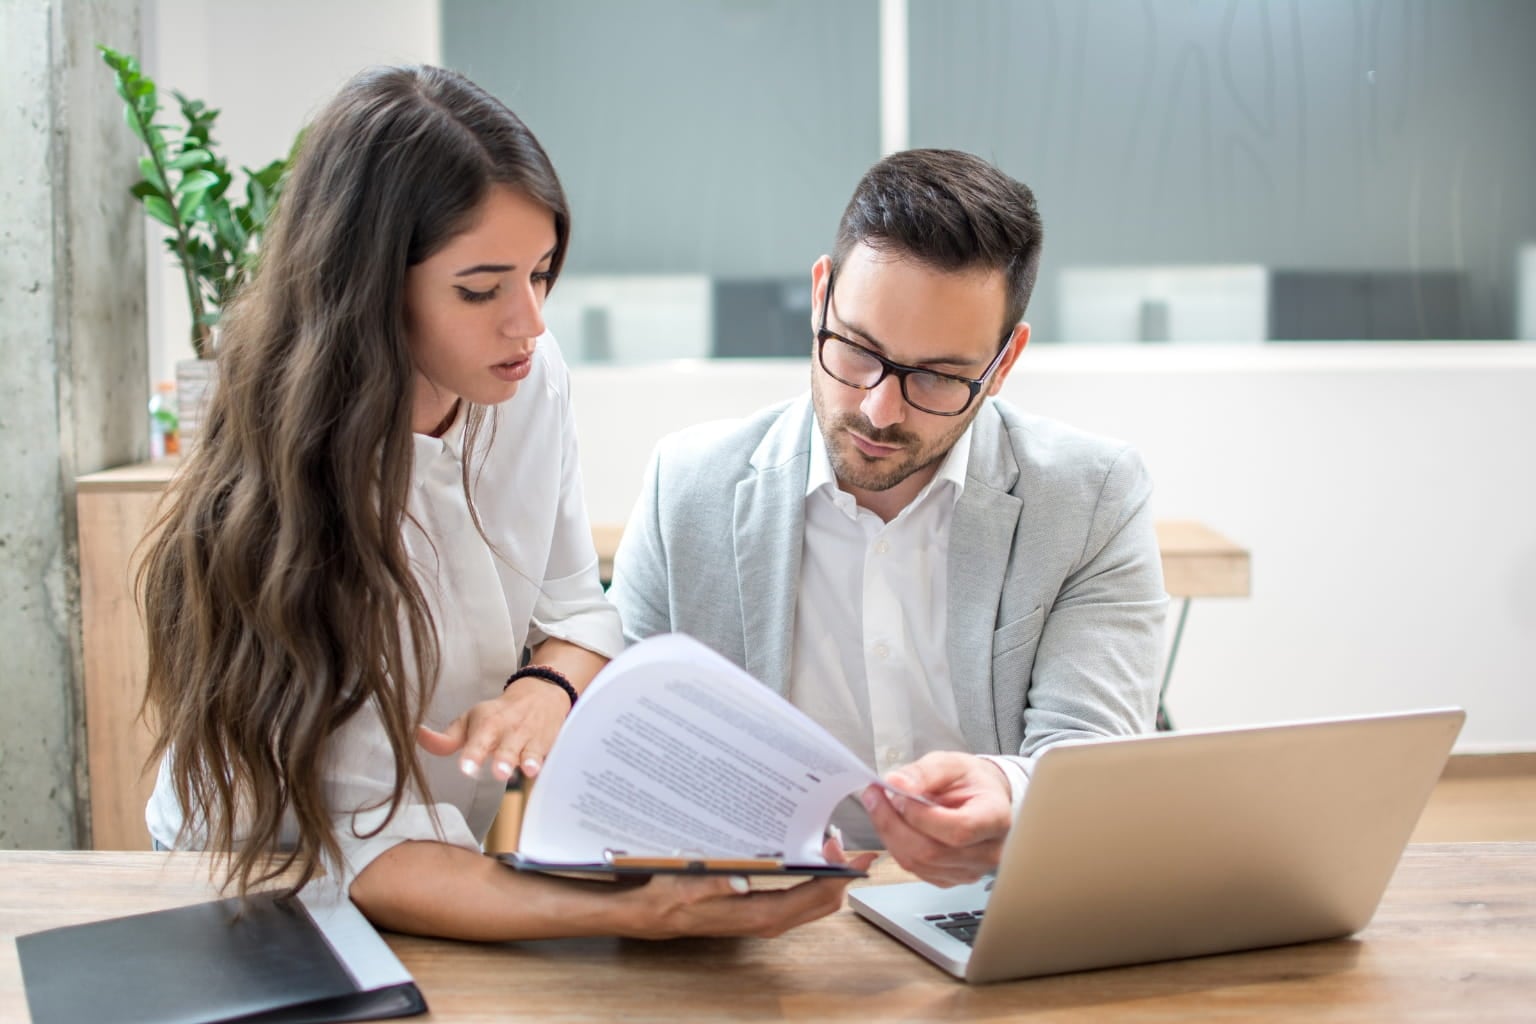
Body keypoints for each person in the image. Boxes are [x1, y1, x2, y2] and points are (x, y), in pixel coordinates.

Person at [139, 64, 871, 942]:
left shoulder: (523, 381)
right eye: (481, 289)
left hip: (436, 867)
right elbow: (362, 846)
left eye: (544, 272)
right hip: (262, 882)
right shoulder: (295, 494)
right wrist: (638, 914)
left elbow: (574, 605)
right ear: (368, 288)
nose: (528, 322)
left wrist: (544, 687)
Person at [607, 149, 1168, 887]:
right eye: (858, 350)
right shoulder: (688, 488)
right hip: (757, 930)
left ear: (1002, 364)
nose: (879, 408)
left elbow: (1090, 760)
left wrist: (1010, 793)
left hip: (994, 913)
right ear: (820, 298)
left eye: (937, 376)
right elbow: (630, 756)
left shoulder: (1090, 497)